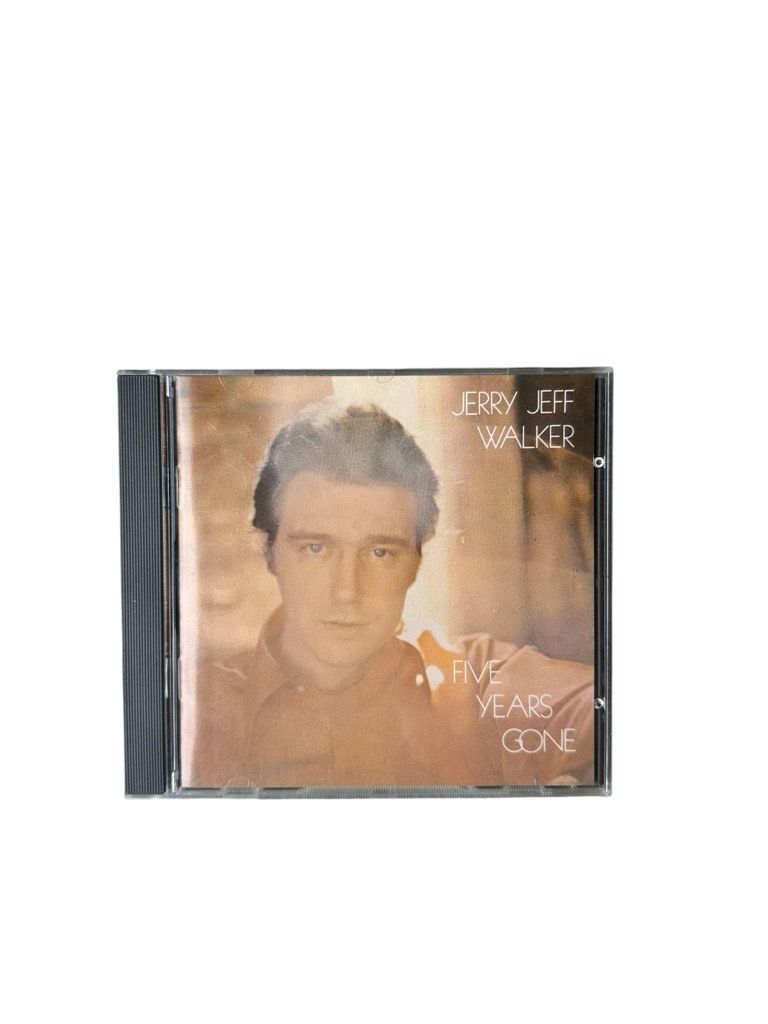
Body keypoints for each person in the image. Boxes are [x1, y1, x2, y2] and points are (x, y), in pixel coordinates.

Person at [189, 402, 593, 789]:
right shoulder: (198, 712)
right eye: (316, 548)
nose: (347, 591)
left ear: (417, 561)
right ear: (269, 552)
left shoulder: (474, 681)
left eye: (380, 553)